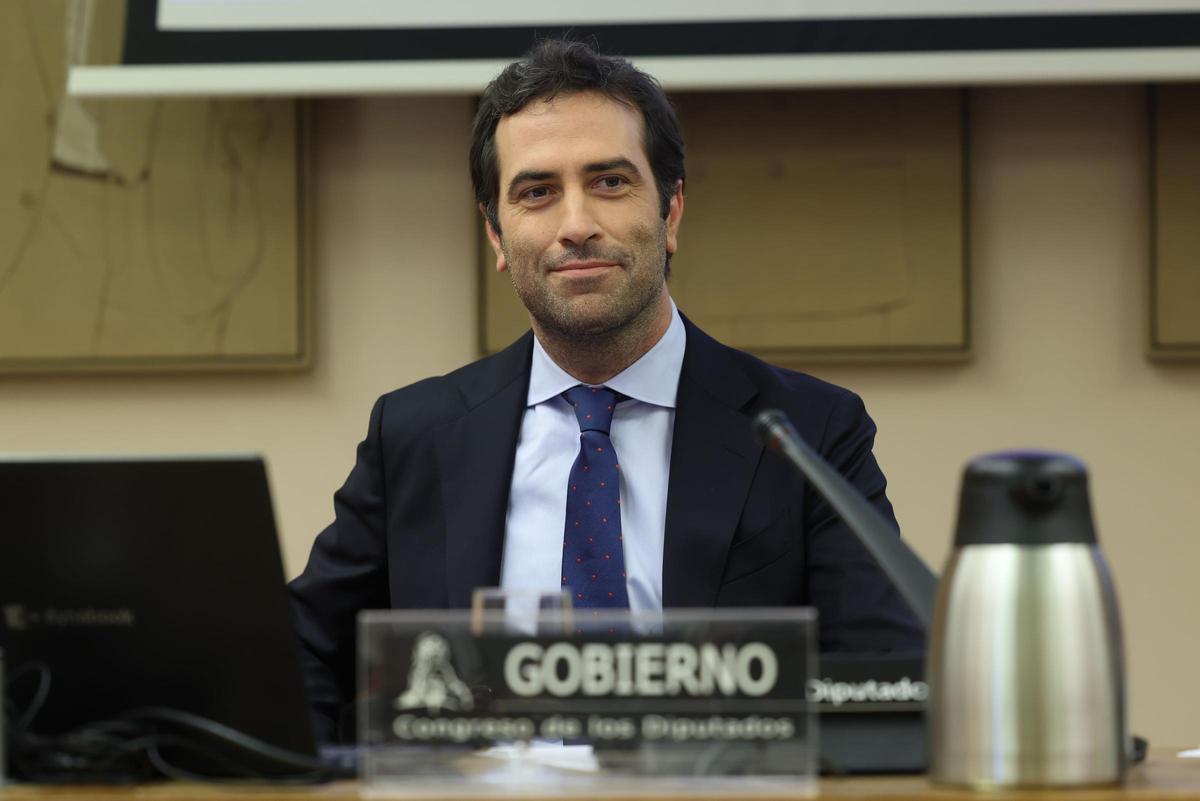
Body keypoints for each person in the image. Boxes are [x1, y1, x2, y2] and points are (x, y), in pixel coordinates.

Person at [289, 38, 924, 743]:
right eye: (537, 192)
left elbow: (879, 681)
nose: (576, 225)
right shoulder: (415, 433)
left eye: (610, 183)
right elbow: (299, 654)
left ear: (671, 212)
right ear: (497, 235)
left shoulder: (809, 430)